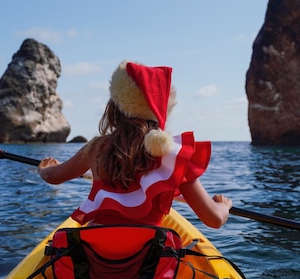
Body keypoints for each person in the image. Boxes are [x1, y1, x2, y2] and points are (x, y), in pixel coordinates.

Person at [38, 60, 232, 228]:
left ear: (115, 107)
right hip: (146, 261)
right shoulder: (173, 154)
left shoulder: (97, 148)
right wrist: (224, 207)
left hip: (96, 254)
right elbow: (214, 219)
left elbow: (54, 177)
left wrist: (45, 168)